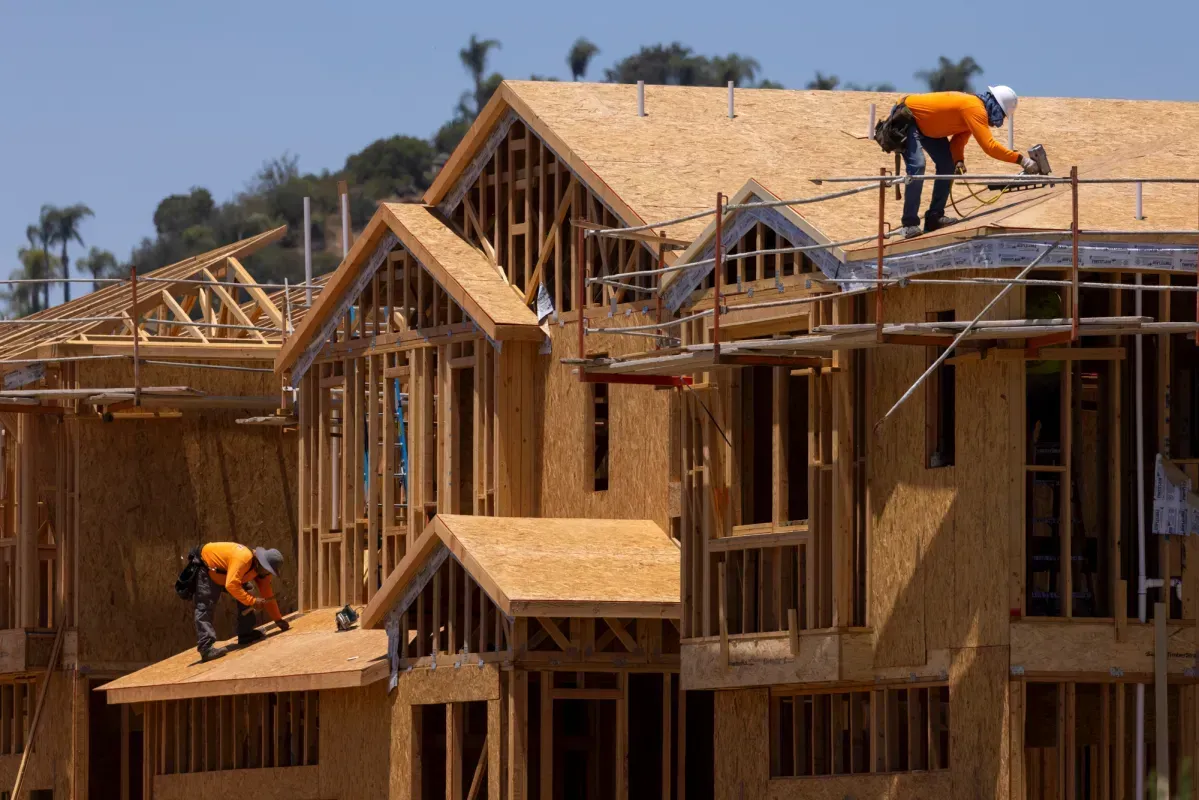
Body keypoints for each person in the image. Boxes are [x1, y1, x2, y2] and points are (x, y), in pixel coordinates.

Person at [896, 85, 1043, 239]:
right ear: (995, 106)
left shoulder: (973, 109)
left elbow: (958, 141)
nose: (1000, 120)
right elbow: (989, 147)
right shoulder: (975, 108)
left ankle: (934, 217)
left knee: (948, 164)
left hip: (928, 126)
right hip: (908, 117)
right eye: (1001, 115)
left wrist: (958, 160)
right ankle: (909, 224)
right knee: (918, 166)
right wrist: (1022, 160)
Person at [193, 542, 289, 662]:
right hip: (208, 567)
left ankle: (245, 634)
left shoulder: (262, 571)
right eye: (268, 570)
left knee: (247, 590)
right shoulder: (244, 559)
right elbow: (231, 584)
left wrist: (278, 620)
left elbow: (267, 594)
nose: (267, 573)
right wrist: (252, 601)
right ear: (261, 563)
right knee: (205, 606)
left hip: (227, 573)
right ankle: (205, 648)